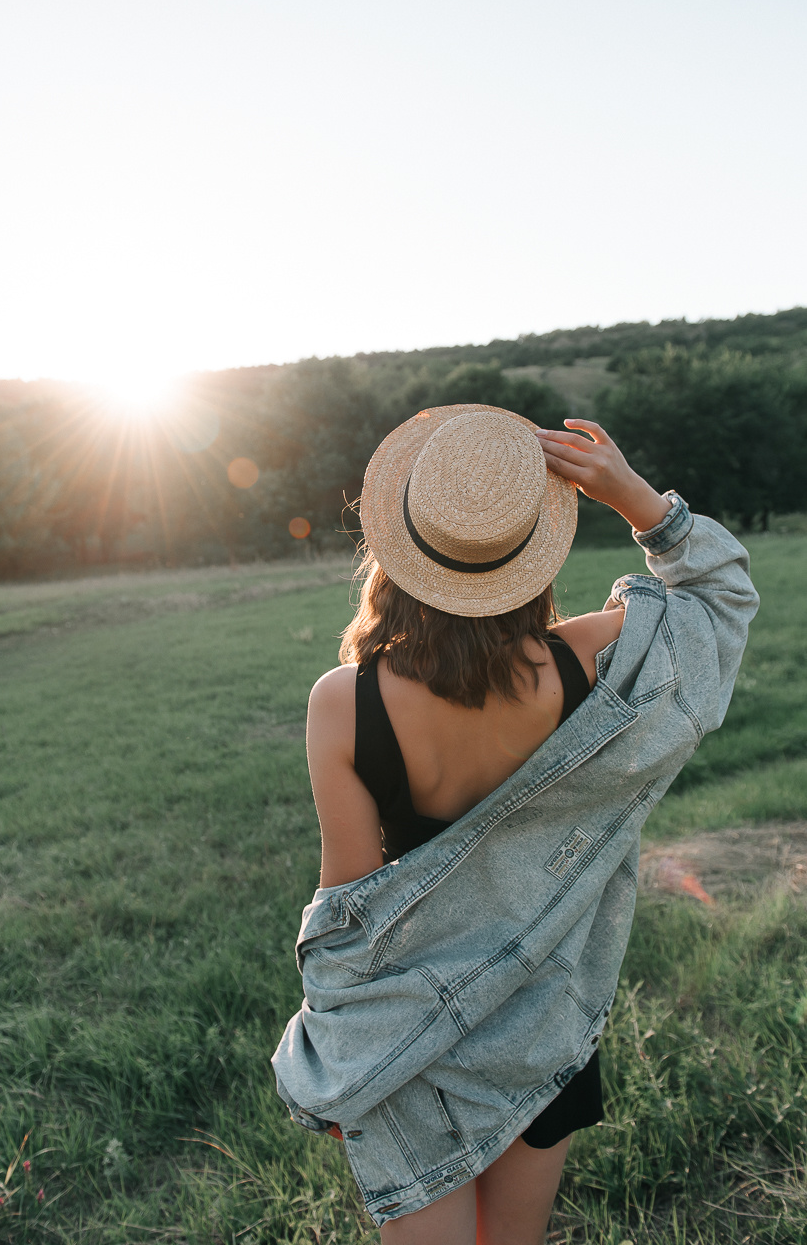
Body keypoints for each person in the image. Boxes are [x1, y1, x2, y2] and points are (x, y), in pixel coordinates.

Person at [272, 406, 759, 1245]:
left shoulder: (341, 705)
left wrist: (342, 1051)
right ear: (535, 544)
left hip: (408, 1047)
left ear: (401, 542)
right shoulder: (603, 659)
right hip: (544, 1023)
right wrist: (641, 499)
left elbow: (347, 906)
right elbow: (718, 598)